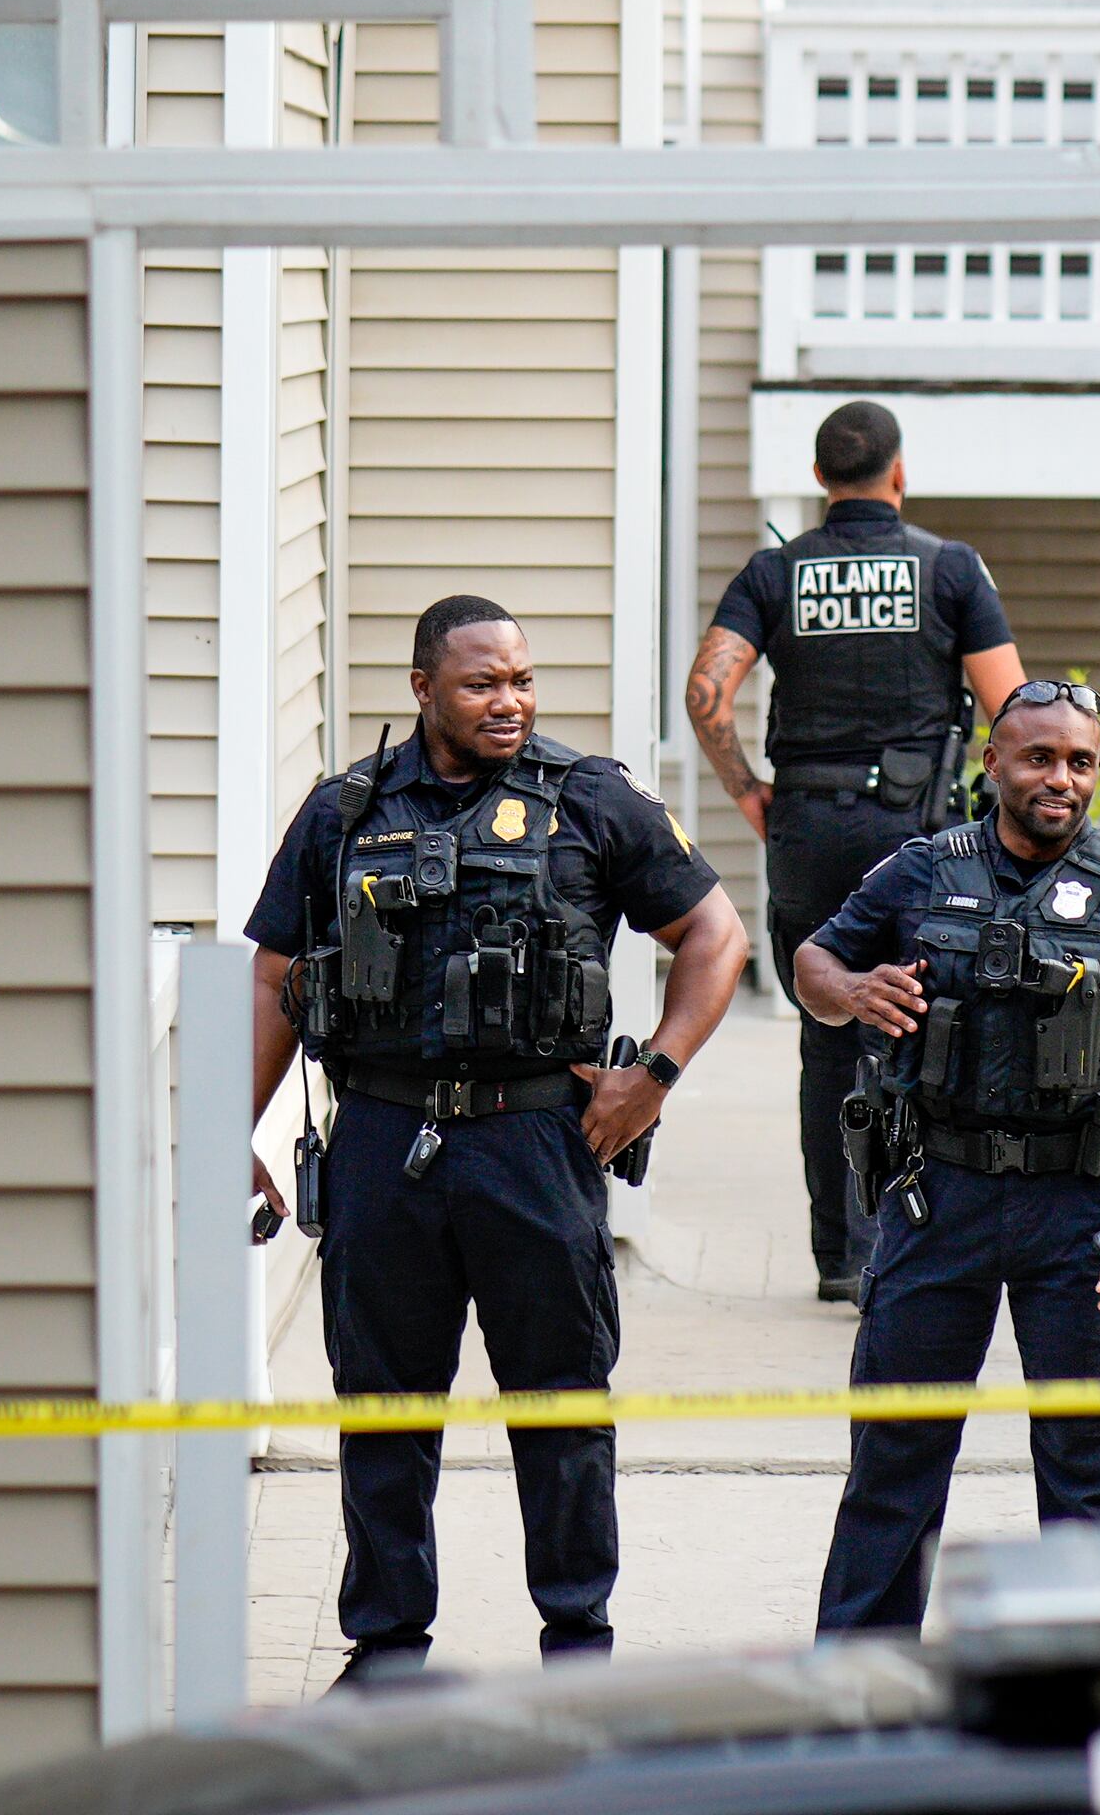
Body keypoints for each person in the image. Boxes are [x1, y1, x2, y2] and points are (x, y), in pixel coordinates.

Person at [244, 595, 747, 1677]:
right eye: (482, 684)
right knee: (381, 1407)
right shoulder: (343, 812)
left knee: (562, 1404)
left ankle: (578, 1645)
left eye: (521, 680)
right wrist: (230, 1128)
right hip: (383, 1136)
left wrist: (652, 1076)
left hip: (534, 1142)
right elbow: (277, 972)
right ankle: (385, 1650)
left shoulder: (591, 800)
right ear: (423, 690)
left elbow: (715, 932)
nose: (509, 701)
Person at [793, 678, 1100, 1634]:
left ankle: (1098, 1690)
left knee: (1094, 1471)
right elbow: (811, 964)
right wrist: (855, 990)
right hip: (933, 1198)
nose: (1058, 779)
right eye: (1037, 758)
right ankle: (864, 1689)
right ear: (993, 764)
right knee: (894, 1462)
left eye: (1078, 761)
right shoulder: (919, 872)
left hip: (1080, 1215)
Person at [686, 399, 1024, 1302]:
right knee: (924, 1025)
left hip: (807, 827)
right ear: (900, 473)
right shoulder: (951, 570)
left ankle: (837, 1254)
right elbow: (1015, 711)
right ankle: (904, 1246)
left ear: (819, 479)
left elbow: (706, 694)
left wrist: (748, 791)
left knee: (827, 1028)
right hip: (918, 836)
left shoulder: (776, 572)